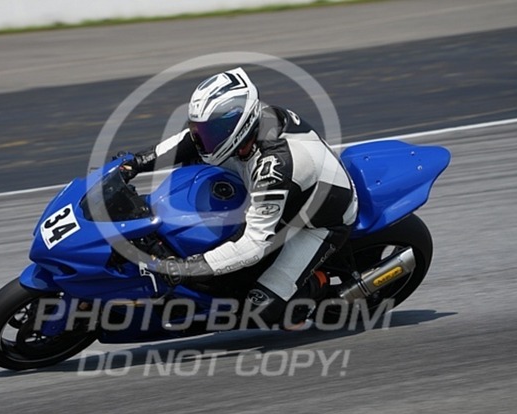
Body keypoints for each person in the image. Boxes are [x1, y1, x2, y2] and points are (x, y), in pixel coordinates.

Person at [120, 67, 358, 329]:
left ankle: (317, 284)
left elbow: (254, 245)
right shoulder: (250, 126)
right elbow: (189, 142)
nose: (201, 139)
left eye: (210, 132)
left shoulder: (274, 169)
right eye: (200, 130)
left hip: (318, 223)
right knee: (194, 168)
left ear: (240, 126)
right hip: (281, 191)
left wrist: (189, 267)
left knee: (260, 309)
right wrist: (137, 162)